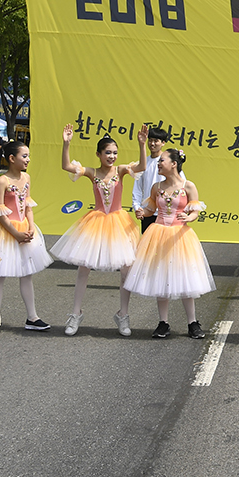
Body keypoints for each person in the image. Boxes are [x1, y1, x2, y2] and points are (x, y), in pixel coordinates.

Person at [53, 125, 142, 336]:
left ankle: (123, 315)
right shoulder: (92, 173)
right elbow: (66, 166)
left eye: (114, 153)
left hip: (119, 222)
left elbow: (141, 166)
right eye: (108, 152)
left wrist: (141, 144)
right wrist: (66, 144)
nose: (112, 156)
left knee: (125, 269)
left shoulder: (121, 170)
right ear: (99, 154)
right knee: (84, 267)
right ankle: (75, 314)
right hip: (96, 221)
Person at [124, 148, 215, 340]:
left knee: (184, 277)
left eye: (162, 161)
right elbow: (151, 210)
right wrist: (143, 213)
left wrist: (189, 216)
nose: (158, 164)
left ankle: (192, 323)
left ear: (174, 164)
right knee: (161, 276)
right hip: (158, 234)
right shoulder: (157, 187)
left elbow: (195, 211)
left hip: (180, 236)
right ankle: (163, 322)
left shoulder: (188, 186)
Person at [0, 140, 52, 333]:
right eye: (24, 156)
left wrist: (31, 226)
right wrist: (16, 233)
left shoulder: (26, 178)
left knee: (26, 274)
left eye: (28, 156)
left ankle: (32, 317)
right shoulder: (3, 181)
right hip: (5, 231)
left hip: (24, 230)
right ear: (11, 158)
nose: (28, 160)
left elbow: (28, 205)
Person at [133, 125, 172, 233]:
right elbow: (137, 187)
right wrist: (137, 207)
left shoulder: (169, 163)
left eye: (156, 141)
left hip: (165, 213)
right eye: (150, 140)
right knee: (148, 246)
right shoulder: (143, 163)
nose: (152, 144)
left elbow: (179, 183)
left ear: (163, 143)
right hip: (147, 212)